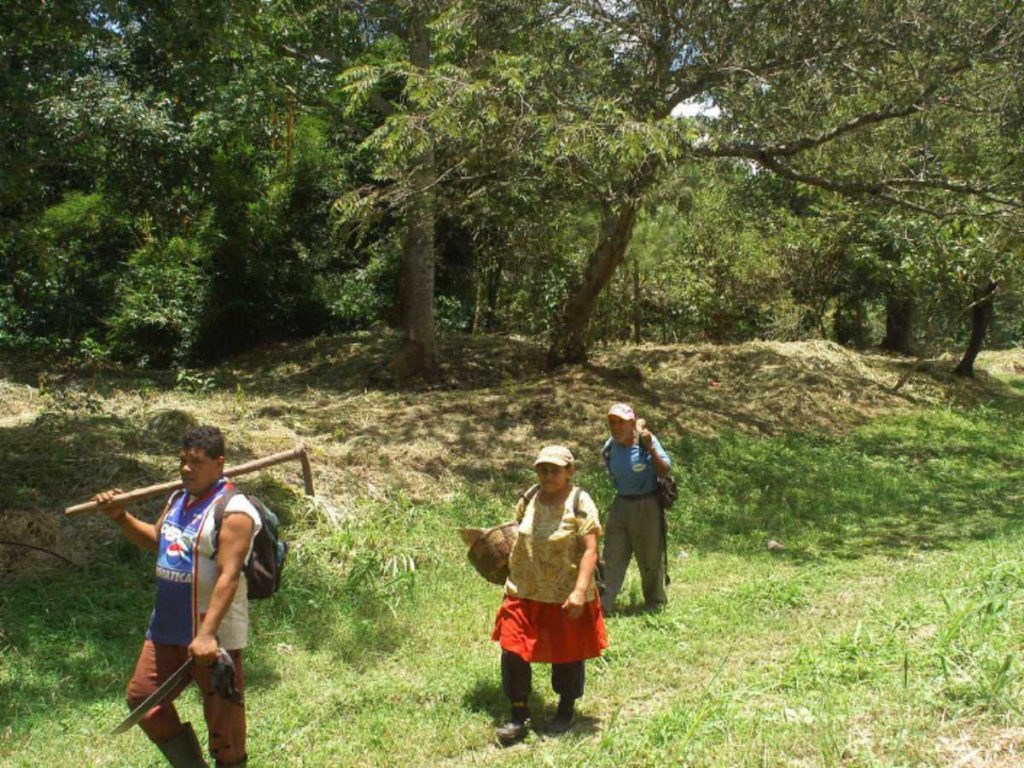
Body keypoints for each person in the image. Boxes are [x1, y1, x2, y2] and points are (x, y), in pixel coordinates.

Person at [95, 425, 261, 768]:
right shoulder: (177, 499)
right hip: (166, 629)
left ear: (219, 464)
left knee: (224, 728)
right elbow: (159, 543)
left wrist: (206, 635)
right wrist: (121, 517)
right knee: (143, 699)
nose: (186, 468)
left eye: (196, 462)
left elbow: (229, 576)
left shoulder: (235, 511)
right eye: (182, 460)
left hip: (212, 636)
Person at [490, 445, 608, 746]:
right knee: (513, 649)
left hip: (564, 592)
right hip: (524, 589)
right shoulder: (529, 497)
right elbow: (517, 533)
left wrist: (580, 591)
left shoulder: (580, 502)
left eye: (555, 469)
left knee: (566, 653)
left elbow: (590, 550)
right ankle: (518, 715)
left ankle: (566, 709)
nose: (547, 475)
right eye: (542, 469)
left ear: (570, 471)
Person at [600, 403, 672, 614]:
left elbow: (664, 471)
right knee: (611, 556)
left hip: (647, 504)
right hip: (621, 503)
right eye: (612, 422)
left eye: (620, 422)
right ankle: (603, 606)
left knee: (650, 557)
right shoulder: (610, 446)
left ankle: (655, 602)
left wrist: (650, 447)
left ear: (632, 423)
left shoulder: (644, 441)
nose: (615, 427)